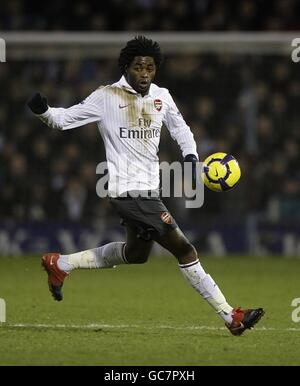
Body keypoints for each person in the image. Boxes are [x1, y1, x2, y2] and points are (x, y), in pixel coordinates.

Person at [28, 36, 264, 336]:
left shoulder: (162, 97)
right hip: (127, 190)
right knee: (185, 249)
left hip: (148, 190)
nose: (144, 73)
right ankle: (231, 316)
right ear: (126, 67)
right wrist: (43, 111)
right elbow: (63, 119)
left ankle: (60, 263)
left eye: (150, 68)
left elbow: (181, 129)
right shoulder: (106, 96)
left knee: (136, 253)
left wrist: (191, 157)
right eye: (138, 67)